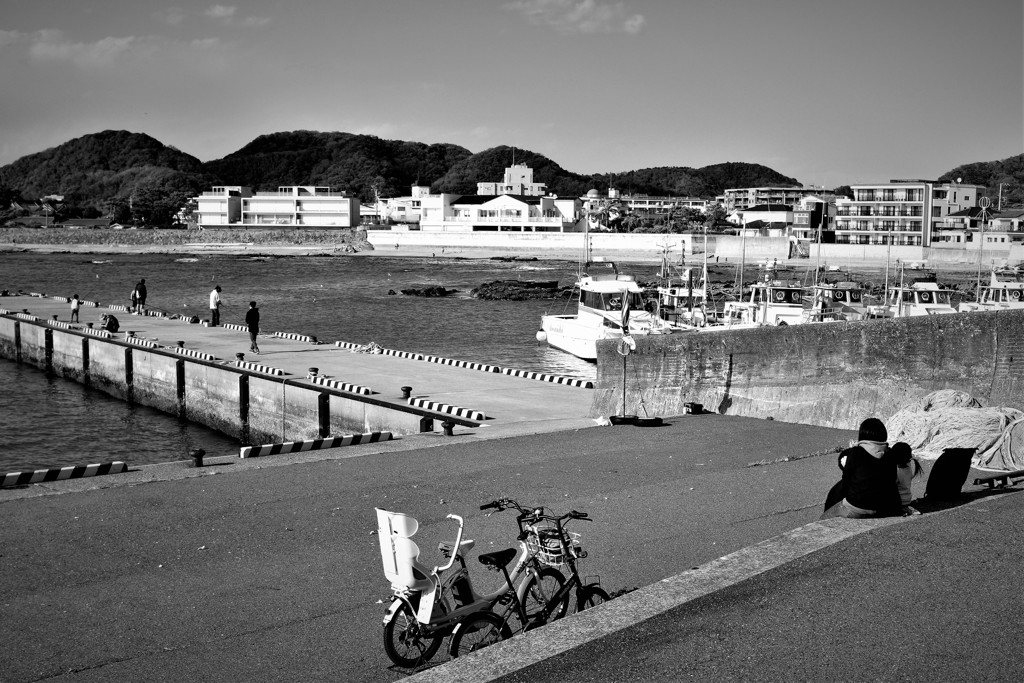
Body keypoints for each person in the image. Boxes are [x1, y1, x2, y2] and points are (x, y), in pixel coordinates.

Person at [822, 417, 901, 519]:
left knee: (823, 519)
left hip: (856, 507)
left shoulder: (855, 452)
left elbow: (846, 481)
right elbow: (892, 481)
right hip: (881, 507)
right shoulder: (890, 455)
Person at [889, 441, 922, 516]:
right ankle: (905, 508)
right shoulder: (912, 466)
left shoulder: (896, 471)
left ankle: (901, 509)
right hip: (907, 499)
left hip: (898, 501)